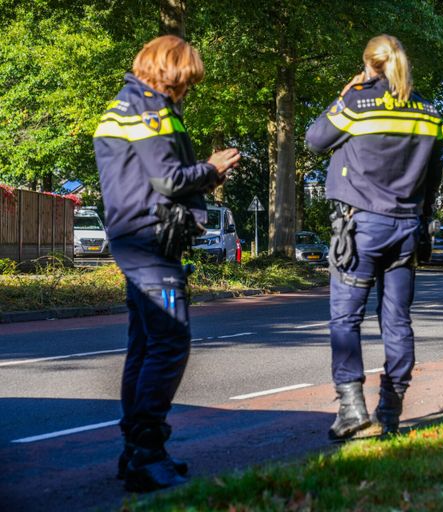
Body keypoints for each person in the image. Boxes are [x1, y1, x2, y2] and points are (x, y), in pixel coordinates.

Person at [93, 35, 240, 492]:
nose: (187, 91)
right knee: (170, 343)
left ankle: (135, 449)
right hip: (151, 241)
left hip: (135, 237)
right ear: (169, 73)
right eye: (185, 82)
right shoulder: (149, 111)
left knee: (144, 344)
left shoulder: (125, 106)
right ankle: (145, 452)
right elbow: (168, 178)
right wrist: (213, 169)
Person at [306, 34, 443, 440]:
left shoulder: (355, 104)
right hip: (406, 228)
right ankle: (392, 408)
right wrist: (425, 220)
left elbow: (315, 140)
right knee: (397, 321)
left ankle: (352, 410)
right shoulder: (429, 112)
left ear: (369, 65)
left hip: (360, 227)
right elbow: (433, 176)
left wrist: (344, 94)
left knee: (346, 319)